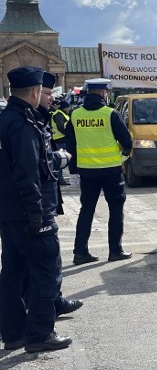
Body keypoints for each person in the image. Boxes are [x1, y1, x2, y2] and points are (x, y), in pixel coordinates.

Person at [0, 66, 73, 353]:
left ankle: (13, 333)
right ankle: (40, 334)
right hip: (31, 212)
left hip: (8, 212)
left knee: (13, 273)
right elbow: (27, 173)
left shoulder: (5, 120)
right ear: (33, 91)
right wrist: (37, 214)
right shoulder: (23, 125)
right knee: (45, 272)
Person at [66, 78, 133, 265]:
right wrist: (123, 156)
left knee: (86, 210)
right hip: (111, 171)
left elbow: (70, 145)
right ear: (104, 93)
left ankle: (80, 252)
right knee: (116, 210)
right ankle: (115, 251)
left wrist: (72, 172)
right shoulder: (110, 114)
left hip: (87, 172)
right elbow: (126, 141)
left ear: (88, 92)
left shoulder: (75, 115)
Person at [36, 72, 84, 318]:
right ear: (34, 92)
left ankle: (15, 325)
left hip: (34, 203)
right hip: (35, 207)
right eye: (46, 93)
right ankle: (41, 326)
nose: (50, 99)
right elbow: (32, 166)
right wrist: (60, 159)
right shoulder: (26, 122)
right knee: (45, 263)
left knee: (23, 266)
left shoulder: (36, 118)